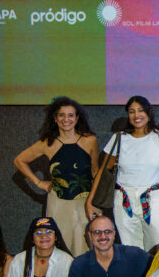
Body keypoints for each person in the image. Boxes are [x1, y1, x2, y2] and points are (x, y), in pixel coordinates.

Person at [86, 95, 159, 250]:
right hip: (124, 199)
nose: (136, 115)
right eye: (132, 111)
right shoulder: (119, 138)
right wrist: (90, 200)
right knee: (130, 248)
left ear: (149, 112)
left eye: (140, 110)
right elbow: (103, 171)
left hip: (154, 197)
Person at [14, 97, 98, 256]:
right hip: (58, 203)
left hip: (85, 202)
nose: (66, 119)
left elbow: (95, 172)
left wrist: (94, 200)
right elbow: (19, 161)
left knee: (86, 247)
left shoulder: (90, 140)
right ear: (55, 118)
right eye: (62, 115)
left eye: (71, 115)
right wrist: (38, 183)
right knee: (60, 246)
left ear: (77, 118)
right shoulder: (47, 143)